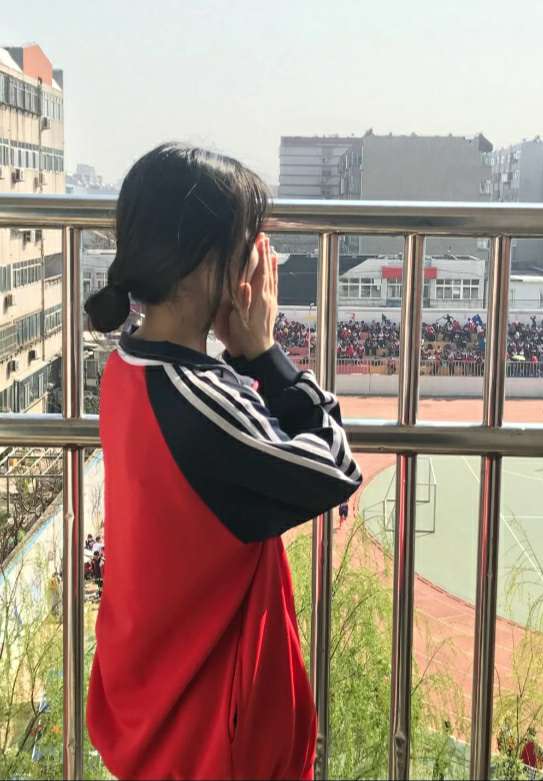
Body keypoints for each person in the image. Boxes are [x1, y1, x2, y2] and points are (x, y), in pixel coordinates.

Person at [83, 143, 361, 781]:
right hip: (209, 738)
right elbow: (335, 468)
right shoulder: (199, 400)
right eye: (247, 245)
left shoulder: (129, 366)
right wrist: (264, 354)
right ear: (207, 262)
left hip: (156, 711)